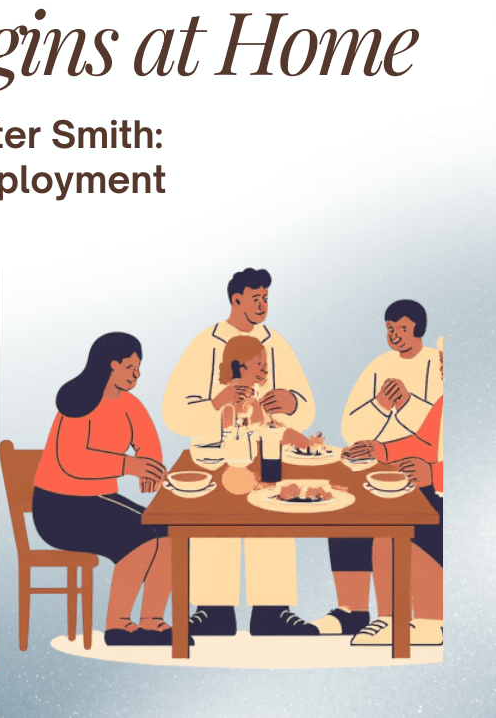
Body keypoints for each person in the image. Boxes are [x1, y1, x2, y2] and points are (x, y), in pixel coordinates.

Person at [162, 268, 319, 636]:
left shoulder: (276, 342)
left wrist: (291, 402)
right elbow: (173, 412)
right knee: (216, 524)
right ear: (236, 300)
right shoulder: (206, 342)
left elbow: (306, 408)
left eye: (266, 298)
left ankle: (271, 612)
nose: (263, 306)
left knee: (273, 519)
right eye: (256, 299)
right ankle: (214, 612)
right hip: (215, 456)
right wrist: (218, 408)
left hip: (267, 453)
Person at [32, 333, 176, 646]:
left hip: (98, 501)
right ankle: (119, 626)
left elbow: (148, 441)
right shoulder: (78, 401)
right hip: (60, 507)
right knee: (139, 539)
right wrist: (129, 466)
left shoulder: (129, 404)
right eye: (130, 367)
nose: (136, 375)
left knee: (170, 533)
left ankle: (152, 621)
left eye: (139, 368)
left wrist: (149, 465)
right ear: (111, 366)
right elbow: (73, 461)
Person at [315, 300, 443, 636]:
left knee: (386, 521)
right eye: (390, 328)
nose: (395, 335)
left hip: (423, 476)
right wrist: (381, 406)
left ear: (419, 328)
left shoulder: (437, 365)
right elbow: (351, 427)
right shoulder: (379, 366)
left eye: (402, 328)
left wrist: (407, 403)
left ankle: (408, 618)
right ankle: (353, 610)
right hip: (382, 464)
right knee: (342, 504)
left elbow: (437, 435)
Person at [350, 337, 443, 646]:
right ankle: (390, 617)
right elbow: (424, 442)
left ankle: (430, 622)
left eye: (446, 360)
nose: (441, 365)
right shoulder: (445, 403)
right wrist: (381, 450)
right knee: (379, 506)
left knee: (400, 517)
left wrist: (433, 473)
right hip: (434, 487)